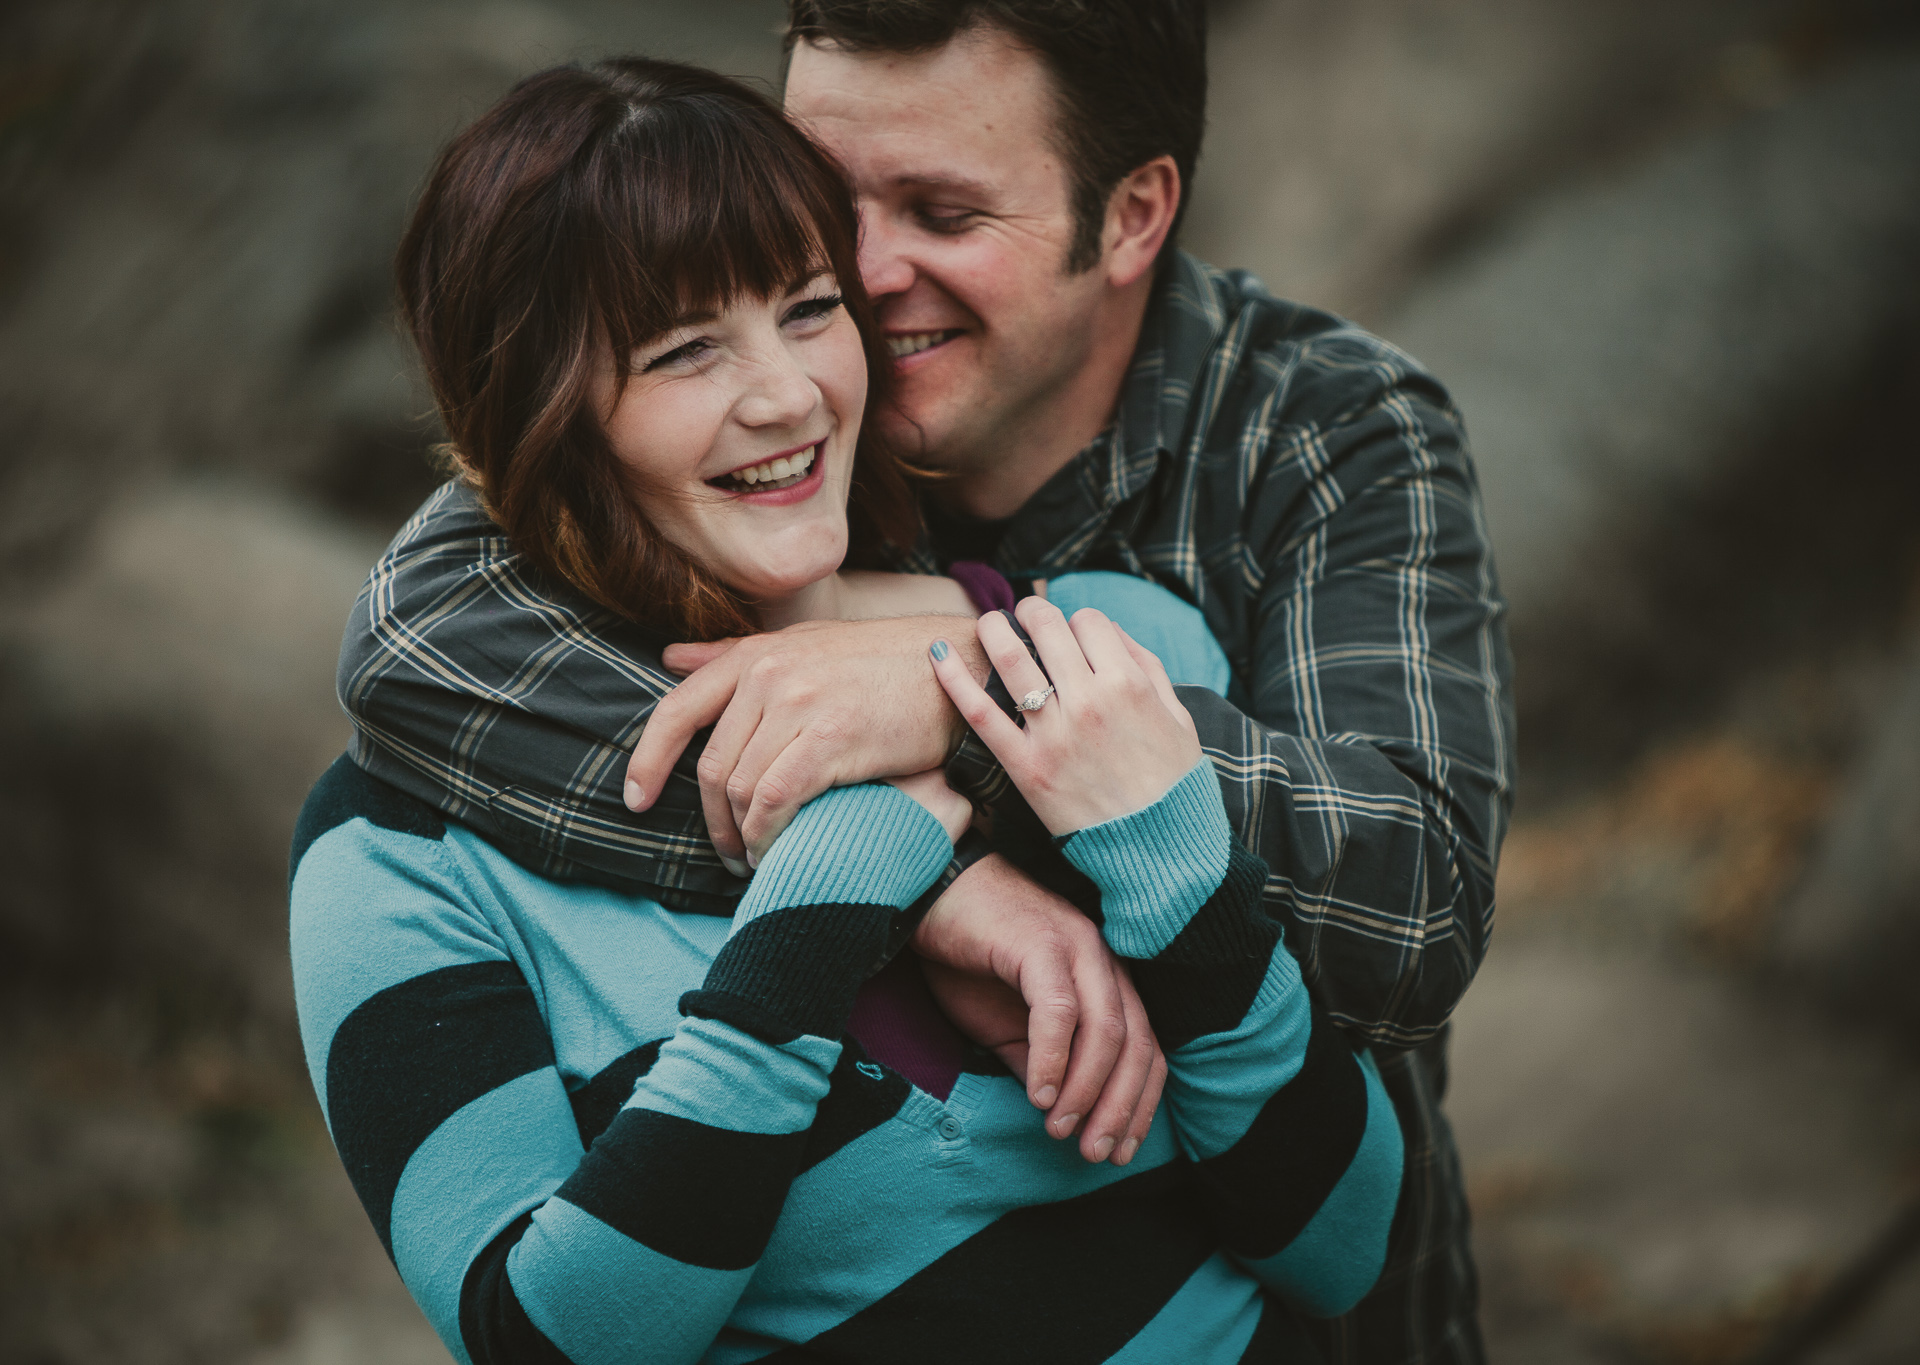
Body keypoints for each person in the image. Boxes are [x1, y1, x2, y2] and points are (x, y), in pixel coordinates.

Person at [340, 4, 1515, 1362]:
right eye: (829, 203)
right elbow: (409, 643)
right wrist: (934, 875)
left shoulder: (1323, 435)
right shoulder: (763, 421)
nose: (862, 270)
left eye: (945, 213)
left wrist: (962, 704)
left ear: (1131, 216)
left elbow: (1413, 901)